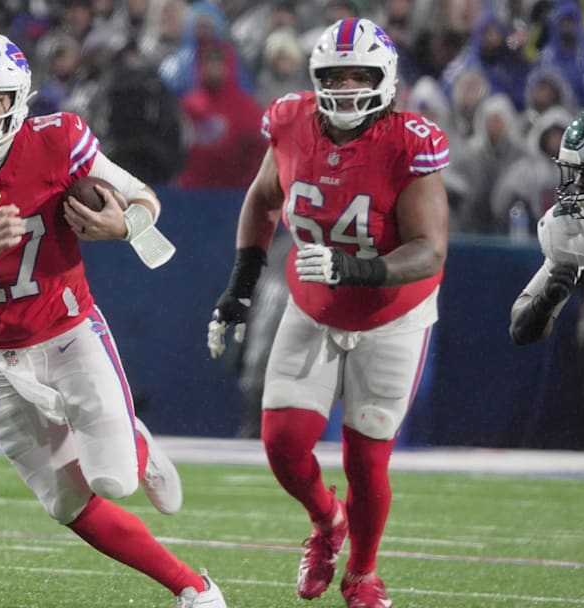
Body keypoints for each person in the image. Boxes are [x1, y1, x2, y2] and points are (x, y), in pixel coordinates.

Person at [0, 33, 226, 608]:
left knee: (114, 481)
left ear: (18, 99)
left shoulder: (59, 140)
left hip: (69, 331)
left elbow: (145, 198)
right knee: (65, 504)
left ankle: (137, 446)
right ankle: (193, 588)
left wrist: (121, 227)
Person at [207, 18, 449, 608]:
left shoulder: (409, 141)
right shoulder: (290, 121)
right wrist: (239, 285)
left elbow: (429, 250)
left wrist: (356, 269)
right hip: (315, 307)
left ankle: (363, 575)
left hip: (392, 313)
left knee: (367, 459)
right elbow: (264, 199)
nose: (344, 88)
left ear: (385, 80)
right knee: (283, 443)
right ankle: (326, 522)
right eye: (333, 77)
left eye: (358, 76)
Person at [509, 100, 584, 346]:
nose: (578, 183)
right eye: (577, 172)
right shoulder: (574, 231)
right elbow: (519, 327)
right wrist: (544, 302)